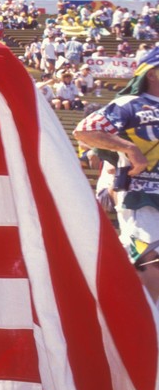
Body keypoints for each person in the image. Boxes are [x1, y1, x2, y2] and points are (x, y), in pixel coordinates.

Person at [74, 46, 159, 253]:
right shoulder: (130, 104)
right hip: (143, 196)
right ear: (152, 73)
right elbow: (85, 130)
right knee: (148, 264)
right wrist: (129, 148)